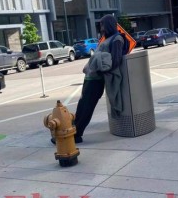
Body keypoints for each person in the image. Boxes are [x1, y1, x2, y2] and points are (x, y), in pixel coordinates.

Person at [52, 14, 127, 144]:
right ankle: (73, 132)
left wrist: (98, 66)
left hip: (97, 80)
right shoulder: (108, 39)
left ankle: (76, 134)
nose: (101, 27)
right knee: (83, 107)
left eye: (103, 24)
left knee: (87, 107)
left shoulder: (117, 39)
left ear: (108, 24)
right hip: (91, 78)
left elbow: (115, 61)